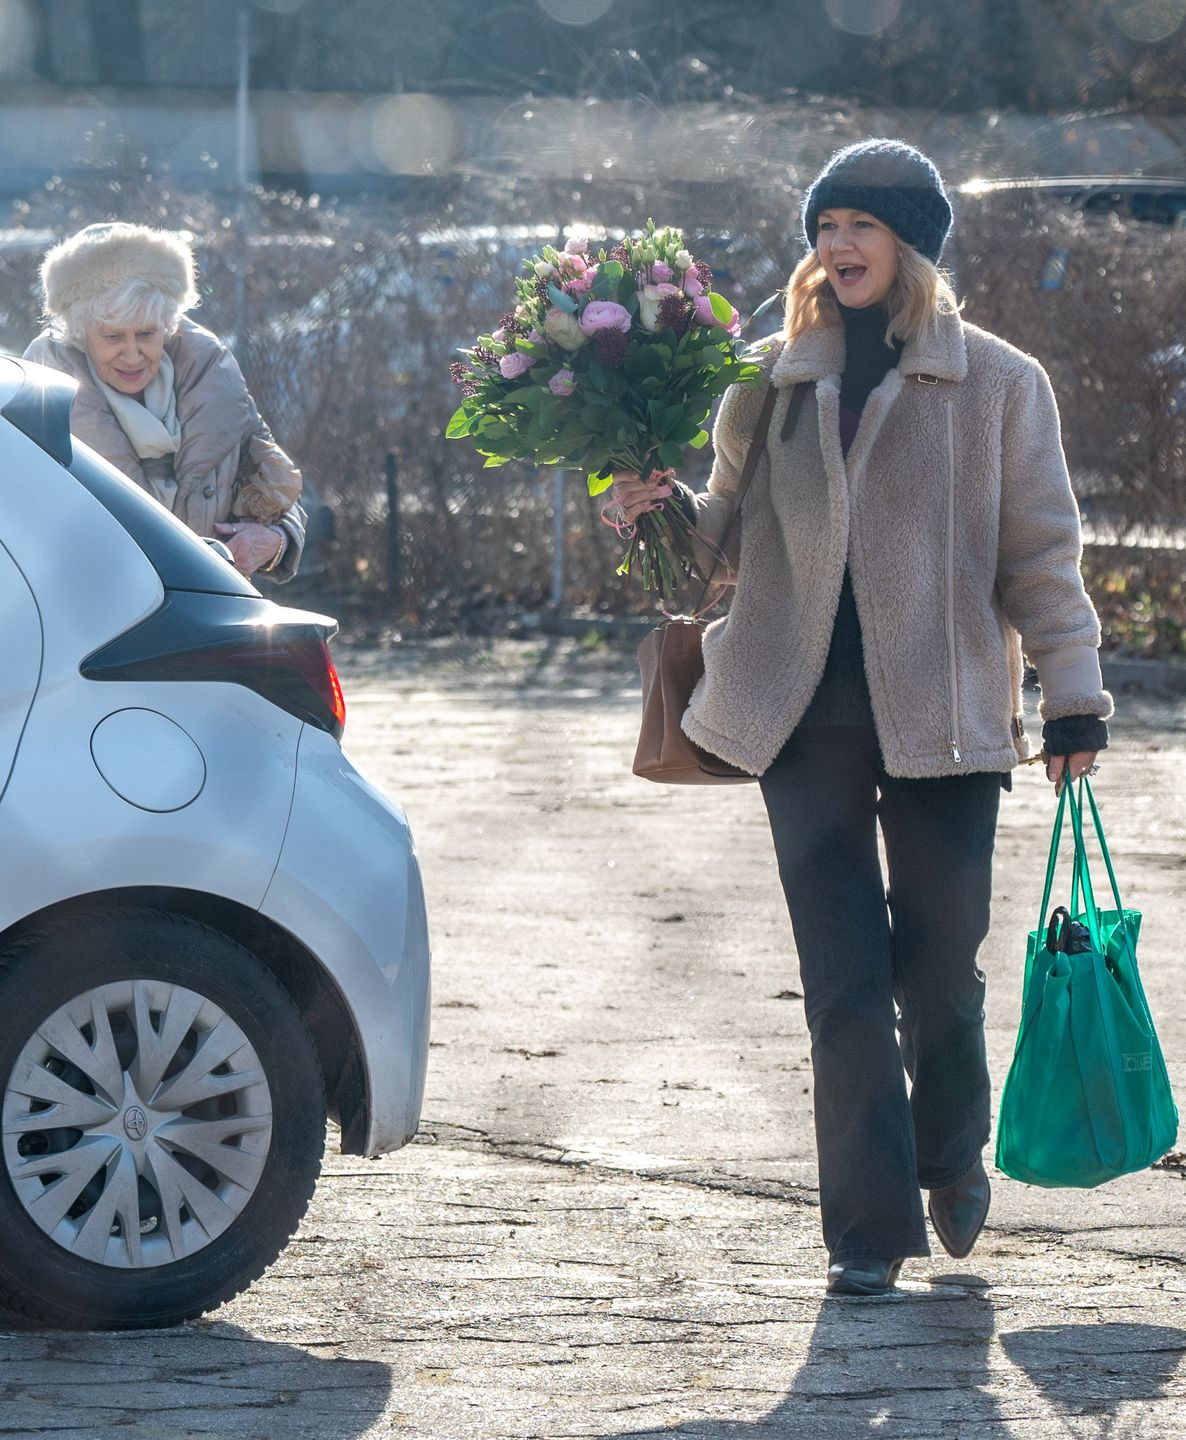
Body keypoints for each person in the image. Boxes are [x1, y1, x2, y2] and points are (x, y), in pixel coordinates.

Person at [613, 139, 1110, 1297]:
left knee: (938, 967)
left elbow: (1042, 554)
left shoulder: (996, 383)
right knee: (841, 979)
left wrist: (1071, 693)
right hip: (800, 716)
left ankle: (950, 1151)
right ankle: (866, 1233)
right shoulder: (770, 380)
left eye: (861, 226)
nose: (836, 246)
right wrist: (654, 510)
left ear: (912, 246)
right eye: (824, 225)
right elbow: (715, 550)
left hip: (945, 718)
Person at [25, 222, 305, 581]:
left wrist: (276, 540)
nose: (132, 355)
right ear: (80, 335)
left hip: (207, 605)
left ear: (168, 326)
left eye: (146, 334)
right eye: (113, 337)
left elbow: (275, 477)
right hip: (88, 612)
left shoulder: (210, 372)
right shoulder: (40, 393)